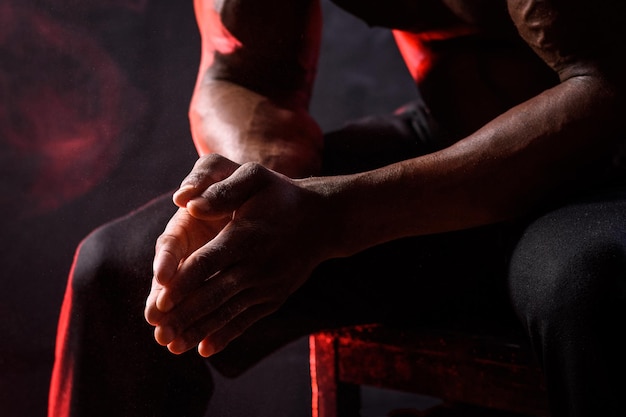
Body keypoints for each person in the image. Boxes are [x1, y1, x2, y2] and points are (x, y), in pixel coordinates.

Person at [49, 0, 626, 416]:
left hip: (606, 170)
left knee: (583, 284)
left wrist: (335, 218)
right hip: (452, 138)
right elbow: (244, 74)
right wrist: (254, 197)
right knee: (125, 274)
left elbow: (607, 91)